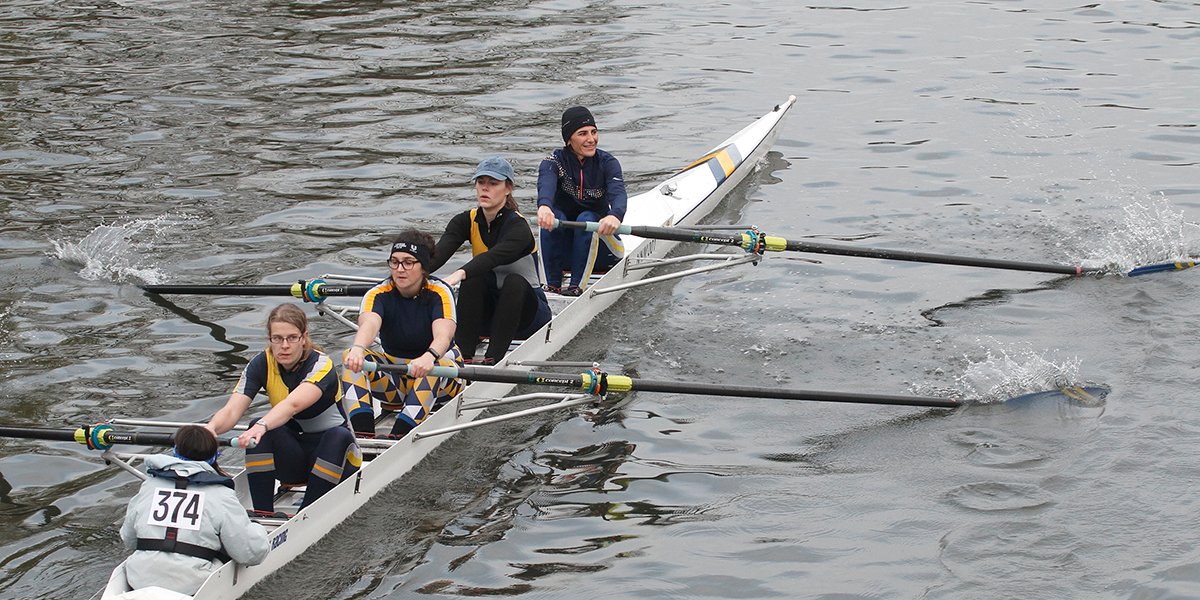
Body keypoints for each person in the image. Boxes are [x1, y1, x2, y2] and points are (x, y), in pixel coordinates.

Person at [206, 303, 361, 515]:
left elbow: (293, 405)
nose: (284, 345)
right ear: (270, 339)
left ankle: (307, 515)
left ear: (304, 337)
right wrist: (210, 429)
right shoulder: (260, 364)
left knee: (338, 435)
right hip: (295, 461)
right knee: (257, 428)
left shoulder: (321, 364)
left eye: (291, 338)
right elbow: (232, 410)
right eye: (277, 338)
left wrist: (261, 426)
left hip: (339, 458)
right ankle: (262, 514)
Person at [341, 230, 465, 437]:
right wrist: (357, 349)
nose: (400, 269)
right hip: (396, 383)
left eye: (408, 262)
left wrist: (429, 356)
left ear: (423, 267)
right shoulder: (378, 293)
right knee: (351, 358)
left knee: (435, 366)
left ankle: (399, 437)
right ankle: (364, 437)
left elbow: (443, 335)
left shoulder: (440, 292)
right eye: (395, 262)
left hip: (444, 379)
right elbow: (369, 324)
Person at [430, 156, 552, 364]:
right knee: (473, 280)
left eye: (493, 183)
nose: (485, 188)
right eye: (481, 182)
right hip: (490, 317)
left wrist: (458, 274)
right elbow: (436, 256)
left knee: (510, 281)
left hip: (529, 316)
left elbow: (492, 257)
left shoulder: (518, 227)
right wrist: (407, 275)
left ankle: (493, 361)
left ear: (508, 189)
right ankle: (463, 357)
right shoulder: (465, 220)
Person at [120, 425, 269, 595]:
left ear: (175, 451)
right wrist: (258, 528)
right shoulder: (221, 495)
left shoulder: (148, 486)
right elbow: (251, 553)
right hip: (191, 585)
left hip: (139, 579)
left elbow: (129, 540)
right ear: (214, 457)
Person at [536, 105, 628, 296]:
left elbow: (618, 194)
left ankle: (577, 288)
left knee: (586, 218)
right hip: (566, 251)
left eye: (594, 132)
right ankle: (551, 287)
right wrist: (544, 206)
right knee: (553, 218)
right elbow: (546, 185)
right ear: (569, 139)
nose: (591, 139)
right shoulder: (553, 162)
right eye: (583, 133)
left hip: (604, 248)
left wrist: (615, 215)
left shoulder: (607, 163)